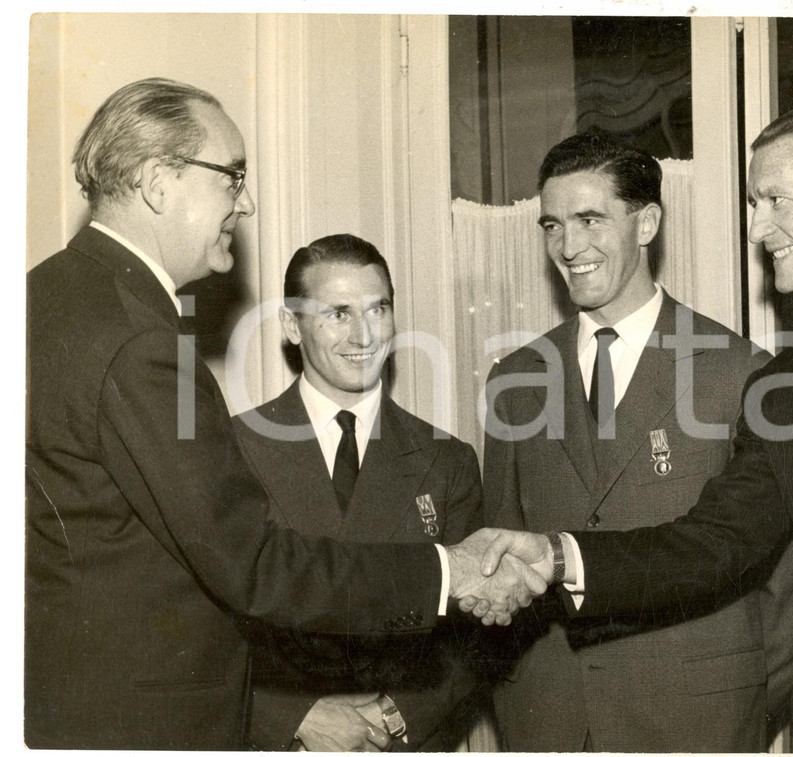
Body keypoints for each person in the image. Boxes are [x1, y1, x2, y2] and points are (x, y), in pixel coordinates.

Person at [24, 77, 540, 750]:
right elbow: (255, 563)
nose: (246, 202)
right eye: (232, 176)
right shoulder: (139, 338)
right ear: (156, 182)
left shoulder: (45, 294)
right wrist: (450, 571)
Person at [477, 103, 793, 752]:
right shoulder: (789, 385)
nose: (756, 227)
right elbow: (713, 542)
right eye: (753, 203)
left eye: (775, 200)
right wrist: (559, 556)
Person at [480, 133, 793, 751]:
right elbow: (499, 560)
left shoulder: (742, 372)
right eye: (553, 225)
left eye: (590, 220)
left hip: (696, 726)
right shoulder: (515, 381)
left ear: (646, 223)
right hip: (547, 723)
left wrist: (736, 702)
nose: (568, 247)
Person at [233, 235, 488, 751]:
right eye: (339, 314)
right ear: (292, 326)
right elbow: (204, 622)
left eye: (378, 309)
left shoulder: (447, 461)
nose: (364, 335)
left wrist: (393, 715)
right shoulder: (235, 448)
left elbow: (476, 631)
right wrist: (295, 717)